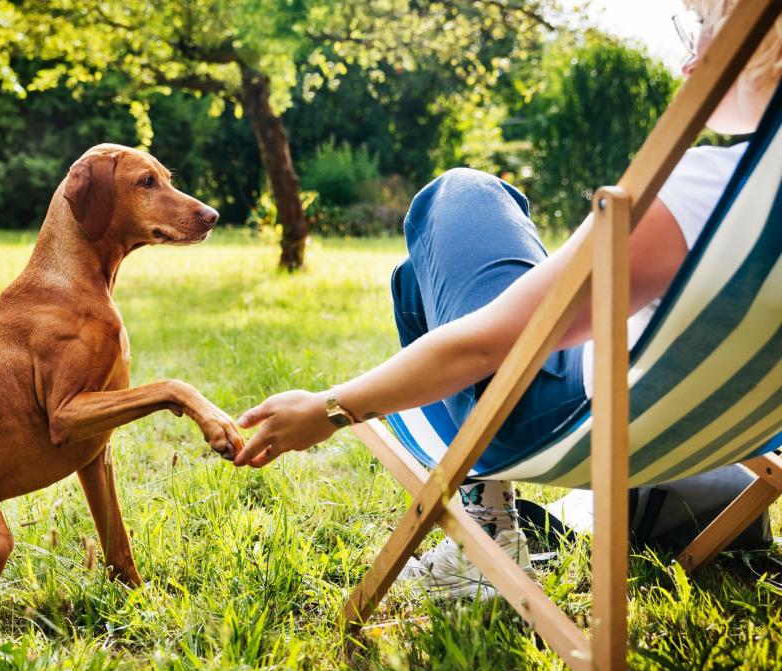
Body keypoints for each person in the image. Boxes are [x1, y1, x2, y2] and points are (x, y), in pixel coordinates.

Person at [233, 0, 782, 598]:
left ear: (756, 43)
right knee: (420, 279)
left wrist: (329, 409)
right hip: (720, 428)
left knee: (463, 192)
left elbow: (484, 345)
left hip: (564, 424)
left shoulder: (711, 191)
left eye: (700, 30)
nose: (688, 61)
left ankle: (487, 534)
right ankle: (487, 529)